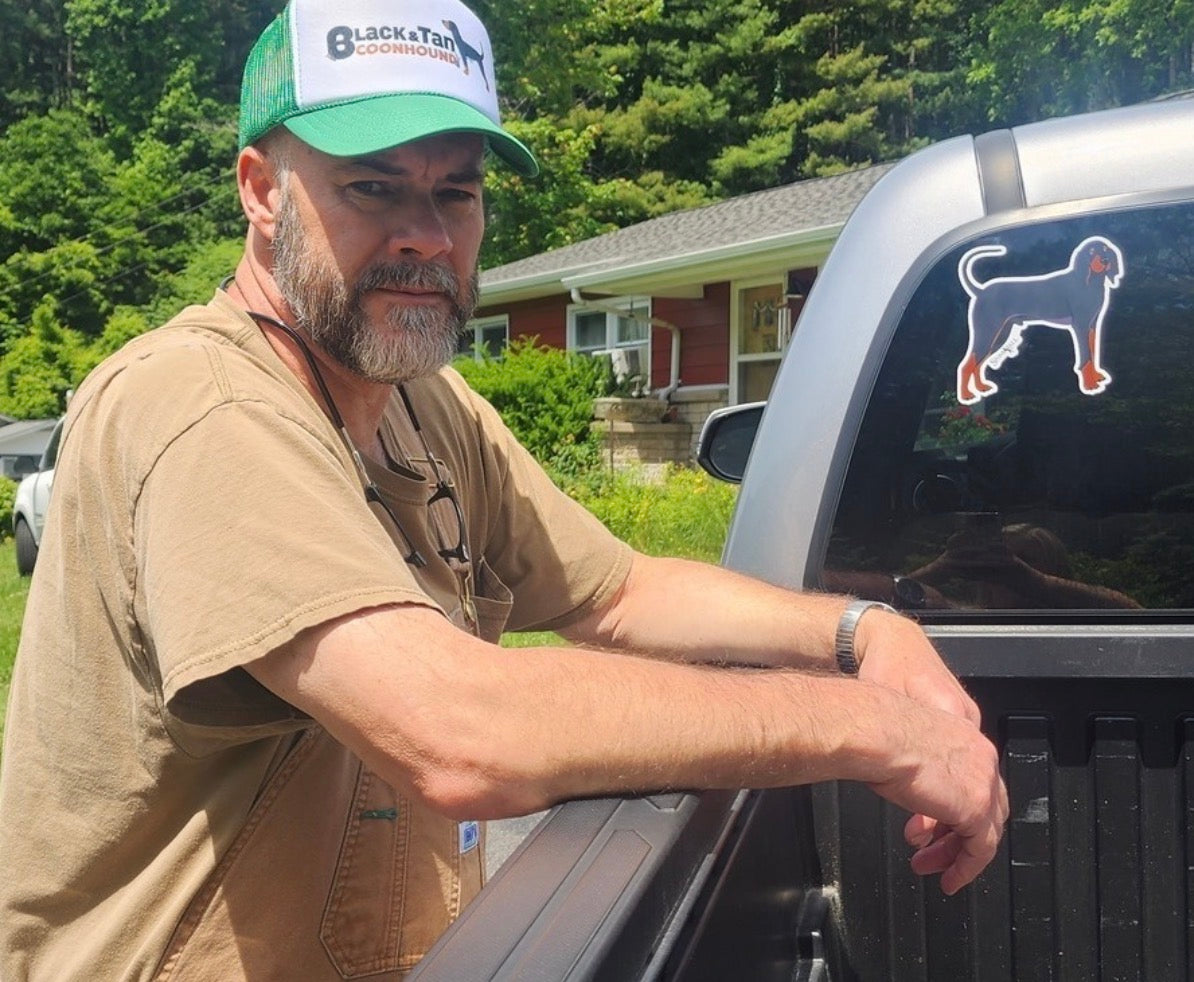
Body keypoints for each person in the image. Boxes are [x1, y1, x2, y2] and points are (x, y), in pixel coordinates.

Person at [0, 1, 1008, 978]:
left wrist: (864, 631)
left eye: (456, 193)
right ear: (262, 190)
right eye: (373, 187)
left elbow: (616, 594)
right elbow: (458, 731)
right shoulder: (205, 406)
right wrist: (871, 727)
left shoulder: (419, 401)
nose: (427, 237)